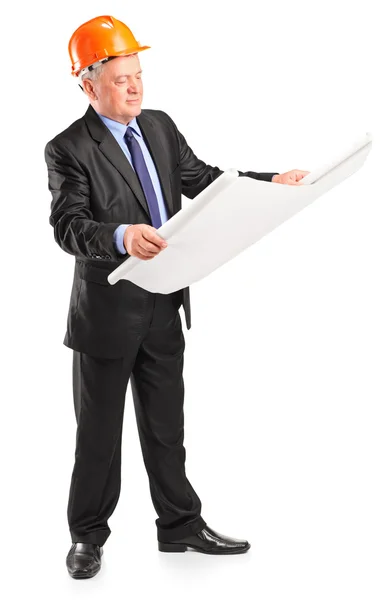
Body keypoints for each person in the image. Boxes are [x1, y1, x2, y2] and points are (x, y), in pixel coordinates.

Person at [44, 15, 309, 579]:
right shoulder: (68, 148)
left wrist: (269, 182)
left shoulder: (160, 127)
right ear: (87, 86)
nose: (135, 87)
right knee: (98, 437)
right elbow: (67, 225)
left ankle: (180, 525)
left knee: (167, 428)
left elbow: (208, 180)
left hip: (164, 306)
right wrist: (121, 237)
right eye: (120, 79)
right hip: (107, 314)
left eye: (138, 74)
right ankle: (87, 536)